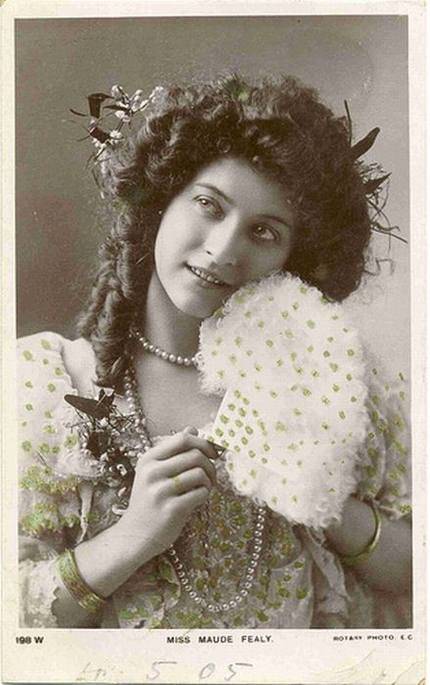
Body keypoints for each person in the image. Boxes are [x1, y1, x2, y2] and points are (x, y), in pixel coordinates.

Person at [18, 74, 411, 629]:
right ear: (161, 199)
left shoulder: (334, 383)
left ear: (294, 256)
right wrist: (134, 535)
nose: (224, 249)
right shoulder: (45, 383)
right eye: (208, 204)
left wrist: (322, 499)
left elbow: (416, 577)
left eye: (264, 232)